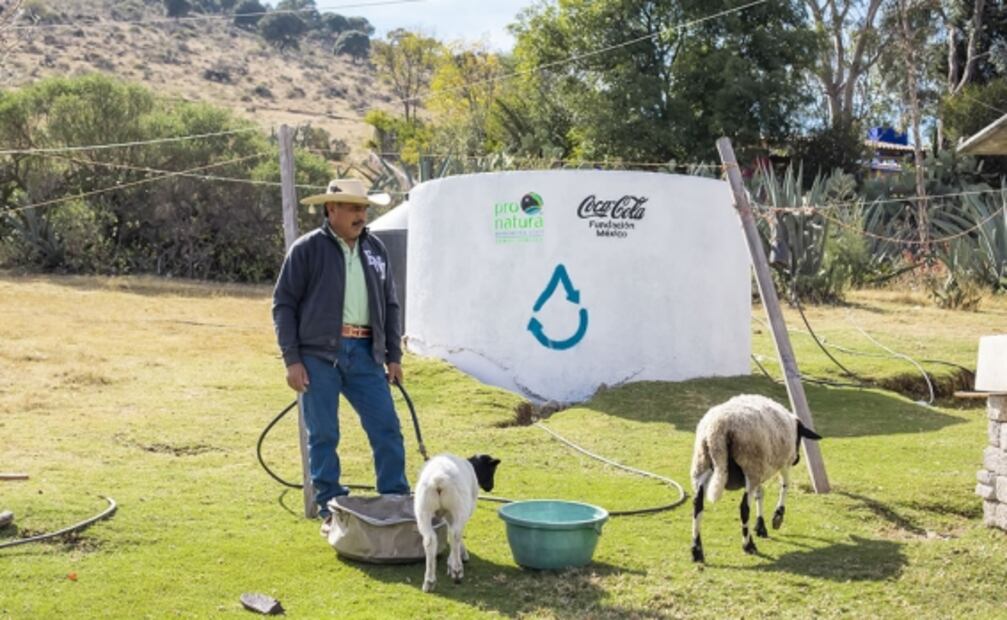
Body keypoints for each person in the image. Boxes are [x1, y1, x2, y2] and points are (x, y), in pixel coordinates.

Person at [272, 178, 408, 533]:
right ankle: (330, 508)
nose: (361, 215)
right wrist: (292, 359)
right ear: (332, 210)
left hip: (366, 353)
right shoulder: (306, 250)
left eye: (364, 208)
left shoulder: (375, 250)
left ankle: (395, 499)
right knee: (323, 433)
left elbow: (390, 305)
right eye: (353, 208)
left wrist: (393, 355)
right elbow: (283, 304)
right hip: (318, 355)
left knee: (387, 428)